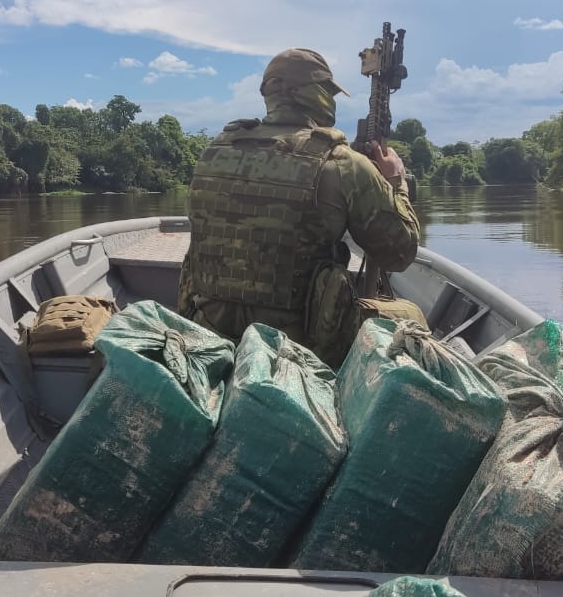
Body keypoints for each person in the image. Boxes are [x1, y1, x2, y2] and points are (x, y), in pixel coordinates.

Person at [178, 48, 420, 366]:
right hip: (298, 343)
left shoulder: (215, 151)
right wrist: (396, 183)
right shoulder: (341, 162)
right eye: (328, 91)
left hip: (208, 329)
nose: (331, 100)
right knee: (412, 315)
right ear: (310, 94)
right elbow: (399, 252)